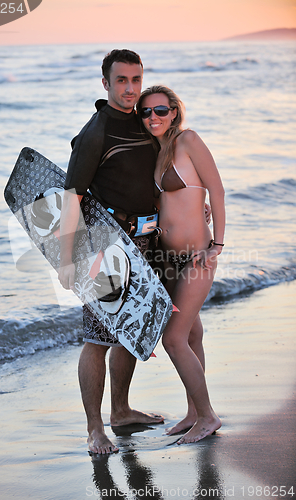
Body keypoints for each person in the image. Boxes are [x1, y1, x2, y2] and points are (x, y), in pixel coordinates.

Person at [58, 50, 165, 455]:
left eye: (136, 79)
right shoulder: (95, 133)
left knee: (130, 331)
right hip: (103, 245)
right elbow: (71, 198)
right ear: (106, 83)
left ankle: (120, 411)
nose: (130, 89)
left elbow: (151, 177)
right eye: (121, 80)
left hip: (145, 241)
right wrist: (66, 259)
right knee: (99, 337)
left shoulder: (143, 122)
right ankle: (94, 430)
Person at [137, 85, 225, 444]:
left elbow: (216, 189)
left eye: (160, 110)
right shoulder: (158, 152)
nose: (153, 117)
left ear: (173, 111)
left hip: (197, 256)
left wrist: (217, 243)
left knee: (173, 337)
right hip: (167, 258)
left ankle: (207, 416)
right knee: (191, 333)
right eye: (146, 112)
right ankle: (193, 412)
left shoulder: (188, 140)